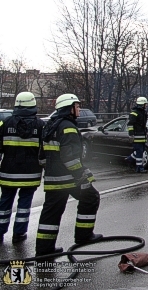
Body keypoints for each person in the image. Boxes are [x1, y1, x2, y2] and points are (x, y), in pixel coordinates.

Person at [36, 94, 102, 258]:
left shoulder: (51, 125)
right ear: (69, 108)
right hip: (68, 179)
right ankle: (83, 236)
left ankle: (44, 248)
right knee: (91, 196)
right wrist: (81, 175)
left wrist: (51, 171)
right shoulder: (68, 127)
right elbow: (70, 158)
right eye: (77, 106)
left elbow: (42, 156)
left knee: (51, 211)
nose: (79, 109)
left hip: (52, 179)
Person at [0, 92, 45, 243]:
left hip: (8, 173)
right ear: (33, 105)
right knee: (24, 206)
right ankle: (19, 234)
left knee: (4, 203)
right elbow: (44, 151)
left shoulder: (5, 123)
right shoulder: (40, 125)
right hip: (30, 174)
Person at [127, 96, 148, 173]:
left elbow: (143, 124)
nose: (146, 105)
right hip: (136, 135)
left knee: (141, 150)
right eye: (145, 104)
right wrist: (131, 134)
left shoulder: (143, 112)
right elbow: (130, 125)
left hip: (142, 135)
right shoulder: (134, 113)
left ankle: (129, 159)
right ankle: (139, 168)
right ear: (142, 104)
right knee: (139, 151)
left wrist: (146, 131)